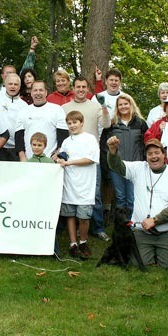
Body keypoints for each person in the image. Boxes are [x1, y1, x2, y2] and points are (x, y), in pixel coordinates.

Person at [107, 137, 168, 269]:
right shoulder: (138, 168)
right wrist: (113, 151)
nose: (153, 156)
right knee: (138, 264)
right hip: (141, 231)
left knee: (167, 266)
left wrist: (155, 220)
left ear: (164, 154)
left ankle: (161, 252)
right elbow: (116, 166)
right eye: (149, 154)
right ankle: (148, 252)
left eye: (157, 153)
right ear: (146, 156)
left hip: (165, 232)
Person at [63, 76, 111, 241]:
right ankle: (74, 232)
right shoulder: (64, 107)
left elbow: (106, 124)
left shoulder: (95, 106)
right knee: (70, 195)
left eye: (84, 87)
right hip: (71, 158)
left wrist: (104, 108)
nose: (81, 89)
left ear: (87, 89)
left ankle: (97, 228)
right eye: (78, 87)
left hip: (90, 157)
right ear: (73, 88)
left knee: (94, 195)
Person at [56, 110, 100, 259]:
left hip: (85, 185)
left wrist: (69, 162)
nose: (72, 126)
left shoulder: (90, 139)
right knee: (70, 215)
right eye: (69, 123)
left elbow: (90, 159)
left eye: (75, 122)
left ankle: (83, 241)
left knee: (84, 217)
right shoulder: (66, 142)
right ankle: (73, 244)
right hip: (69, 184)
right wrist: (60, 160)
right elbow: (63, 156)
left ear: (81, 123)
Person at [100, 93, 148, 221]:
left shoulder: (141, 123)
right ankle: (121, 225)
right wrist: (107, 166)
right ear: (117, 107)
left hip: (135, 167)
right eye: (120, 104)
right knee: (120, 197)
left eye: (125, 104)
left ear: (131, 105)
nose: (123, 107)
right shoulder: (112, 124)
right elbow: (104, 147)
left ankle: (133, 224)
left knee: (132, 197)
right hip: (117, 166)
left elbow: (146, 144)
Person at [15, 80, 68, 162]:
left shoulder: (57, 109)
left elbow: (63, 136)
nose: (38, 93)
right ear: (31, 93)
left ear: (46, 92)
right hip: (29, 161)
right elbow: (19, 137)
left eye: (41, 90)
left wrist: (58, 153)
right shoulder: (23, 111)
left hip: (51, 161)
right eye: (35, 90)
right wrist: (22, 157)